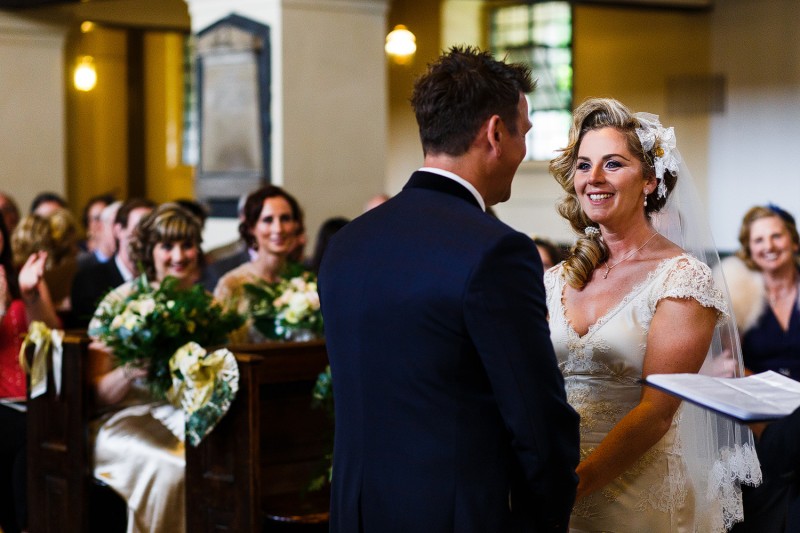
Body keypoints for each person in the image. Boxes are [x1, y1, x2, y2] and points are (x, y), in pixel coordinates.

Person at [319, 46, 580, 532]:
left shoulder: (347, 243)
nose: (523, 151)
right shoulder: (496, 252)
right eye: (523, 133)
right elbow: (536, 421)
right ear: (495, 133)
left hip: (356, 511)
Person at [546, 97, 760, 531]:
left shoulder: (683, 280)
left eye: (613, 164)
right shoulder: (554, 279)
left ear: (648, 180)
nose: (594, 179)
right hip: (551, 480)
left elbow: (656, 412)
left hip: (635, 496)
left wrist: (571, 485)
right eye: (584, 165)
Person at [88, 203, 205, 533]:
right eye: (167, 246)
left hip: (184, 417)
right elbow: (95, 395)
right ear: (149, 251)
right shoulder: (121, 303)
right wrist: (132, 368)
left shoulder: (207, 305)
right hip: (121, 419)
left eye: (187, 244)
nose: (179, 256)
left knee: (219, 457)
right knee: (173, 464)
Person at [719, 205, 800, 532]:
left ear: (793, 241)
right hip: (756, 410)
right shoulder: (737, 293)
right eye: (759, 239)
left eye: (776, 235)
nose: (769, 245)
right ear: (749, 249)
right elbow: (726, 363)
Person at [0, 214, 60, 533]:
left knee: (37, 427)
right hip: (2, 402)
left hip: (30, 393)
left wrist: (31, 294)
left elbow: (52, 333)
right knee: (27, 432)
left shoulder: (19, 276)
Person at [213, 185, 305, 343]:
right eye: (268, 220)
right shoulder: (232, 285)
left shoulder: (304, 282)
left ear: (296, 225)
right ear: (251, 228)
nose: (278, 229)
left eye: (285, 219)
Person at [70, 198, 155, 328]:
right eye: (138, 231)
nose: (145, 240)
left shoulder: (159, 279)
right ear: (118, 230)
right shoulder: (89, 280)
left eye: (152, 233)